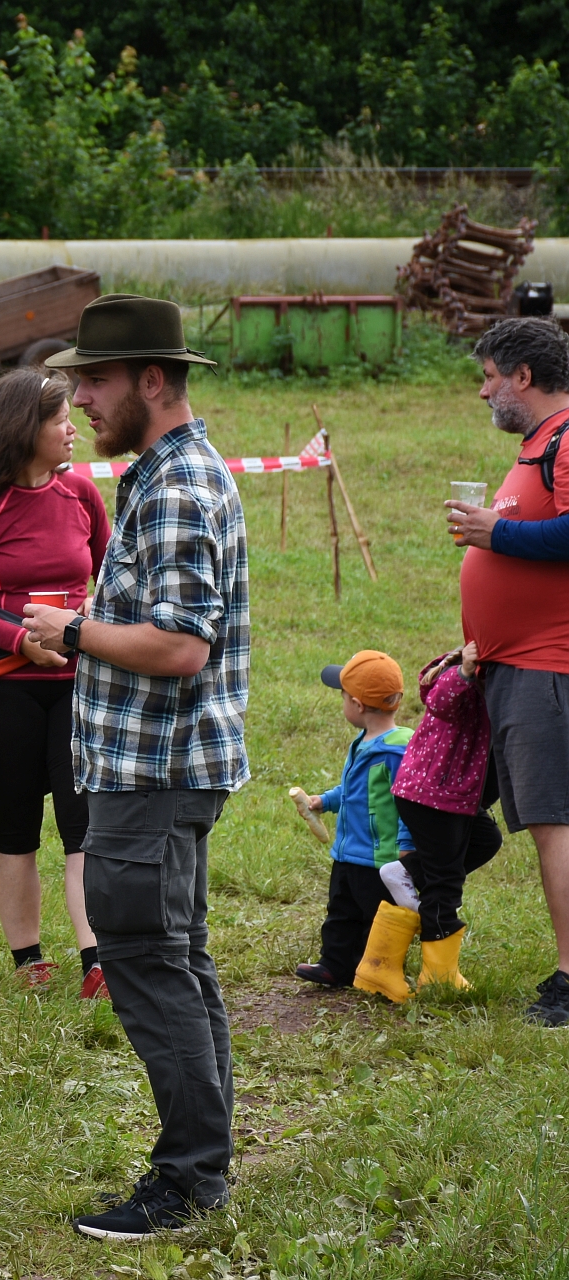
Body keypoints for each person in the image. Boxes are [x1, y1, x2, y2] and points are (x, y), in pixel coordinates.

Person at [23, 294, 249, 1241]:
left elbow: (181, 646)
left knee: (149, 965)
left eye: (96, 380)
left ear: (153, 380)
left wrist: (74, 631)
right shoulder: (165, 473)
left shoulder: (177, 489)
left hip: (153, 772)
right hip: (161, 767)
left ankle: (188, 1181)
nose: (79, 399)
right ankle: (205, 1164)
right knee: (176, 959)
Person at [0, 366, 110, 996]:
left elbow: (113, 581)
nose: (73, 429)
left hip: (78, 682)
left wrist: (85, 620)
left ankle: (97, 962)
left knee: (82, 823)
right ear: (24, 429)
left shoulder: (82, 494)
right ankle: (29, 962)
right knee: (16, 824)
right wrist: (20, 640)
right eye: (61, 420)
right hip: (5, 684)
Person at [444, 316, 569, 1028]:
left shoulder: (567, 438)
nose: (483, 391)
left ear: (523, 375)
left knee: (556, 822)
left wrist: (497, 532)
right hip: (513, 665)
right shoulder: (539, 445)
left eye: (490, 377)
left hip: (547, 666)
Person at [292, 651, 415, 998]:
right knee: (341, 911)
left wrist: (406, 846)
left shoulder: (395, 752)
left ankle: (375, 968)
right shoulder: (364, 743)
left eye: (343, 697)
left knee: (375, 917)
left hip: (380, 858)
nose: (343, 703)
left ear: (358, 705)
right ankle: (334, 964)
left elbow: (409, 804)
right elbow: (354, 790)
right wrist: (325, 801)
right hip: (348, 852)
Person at [386, 642, 505, 992]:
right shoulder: (459, 678)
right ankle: (439, 976)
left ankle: (408, 872)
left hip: (456, 799)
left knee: (486, 840)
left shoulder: (502, 689)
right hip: (432, 796)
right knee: (445, 882)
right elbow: (438, 701)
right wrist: (466, 671)